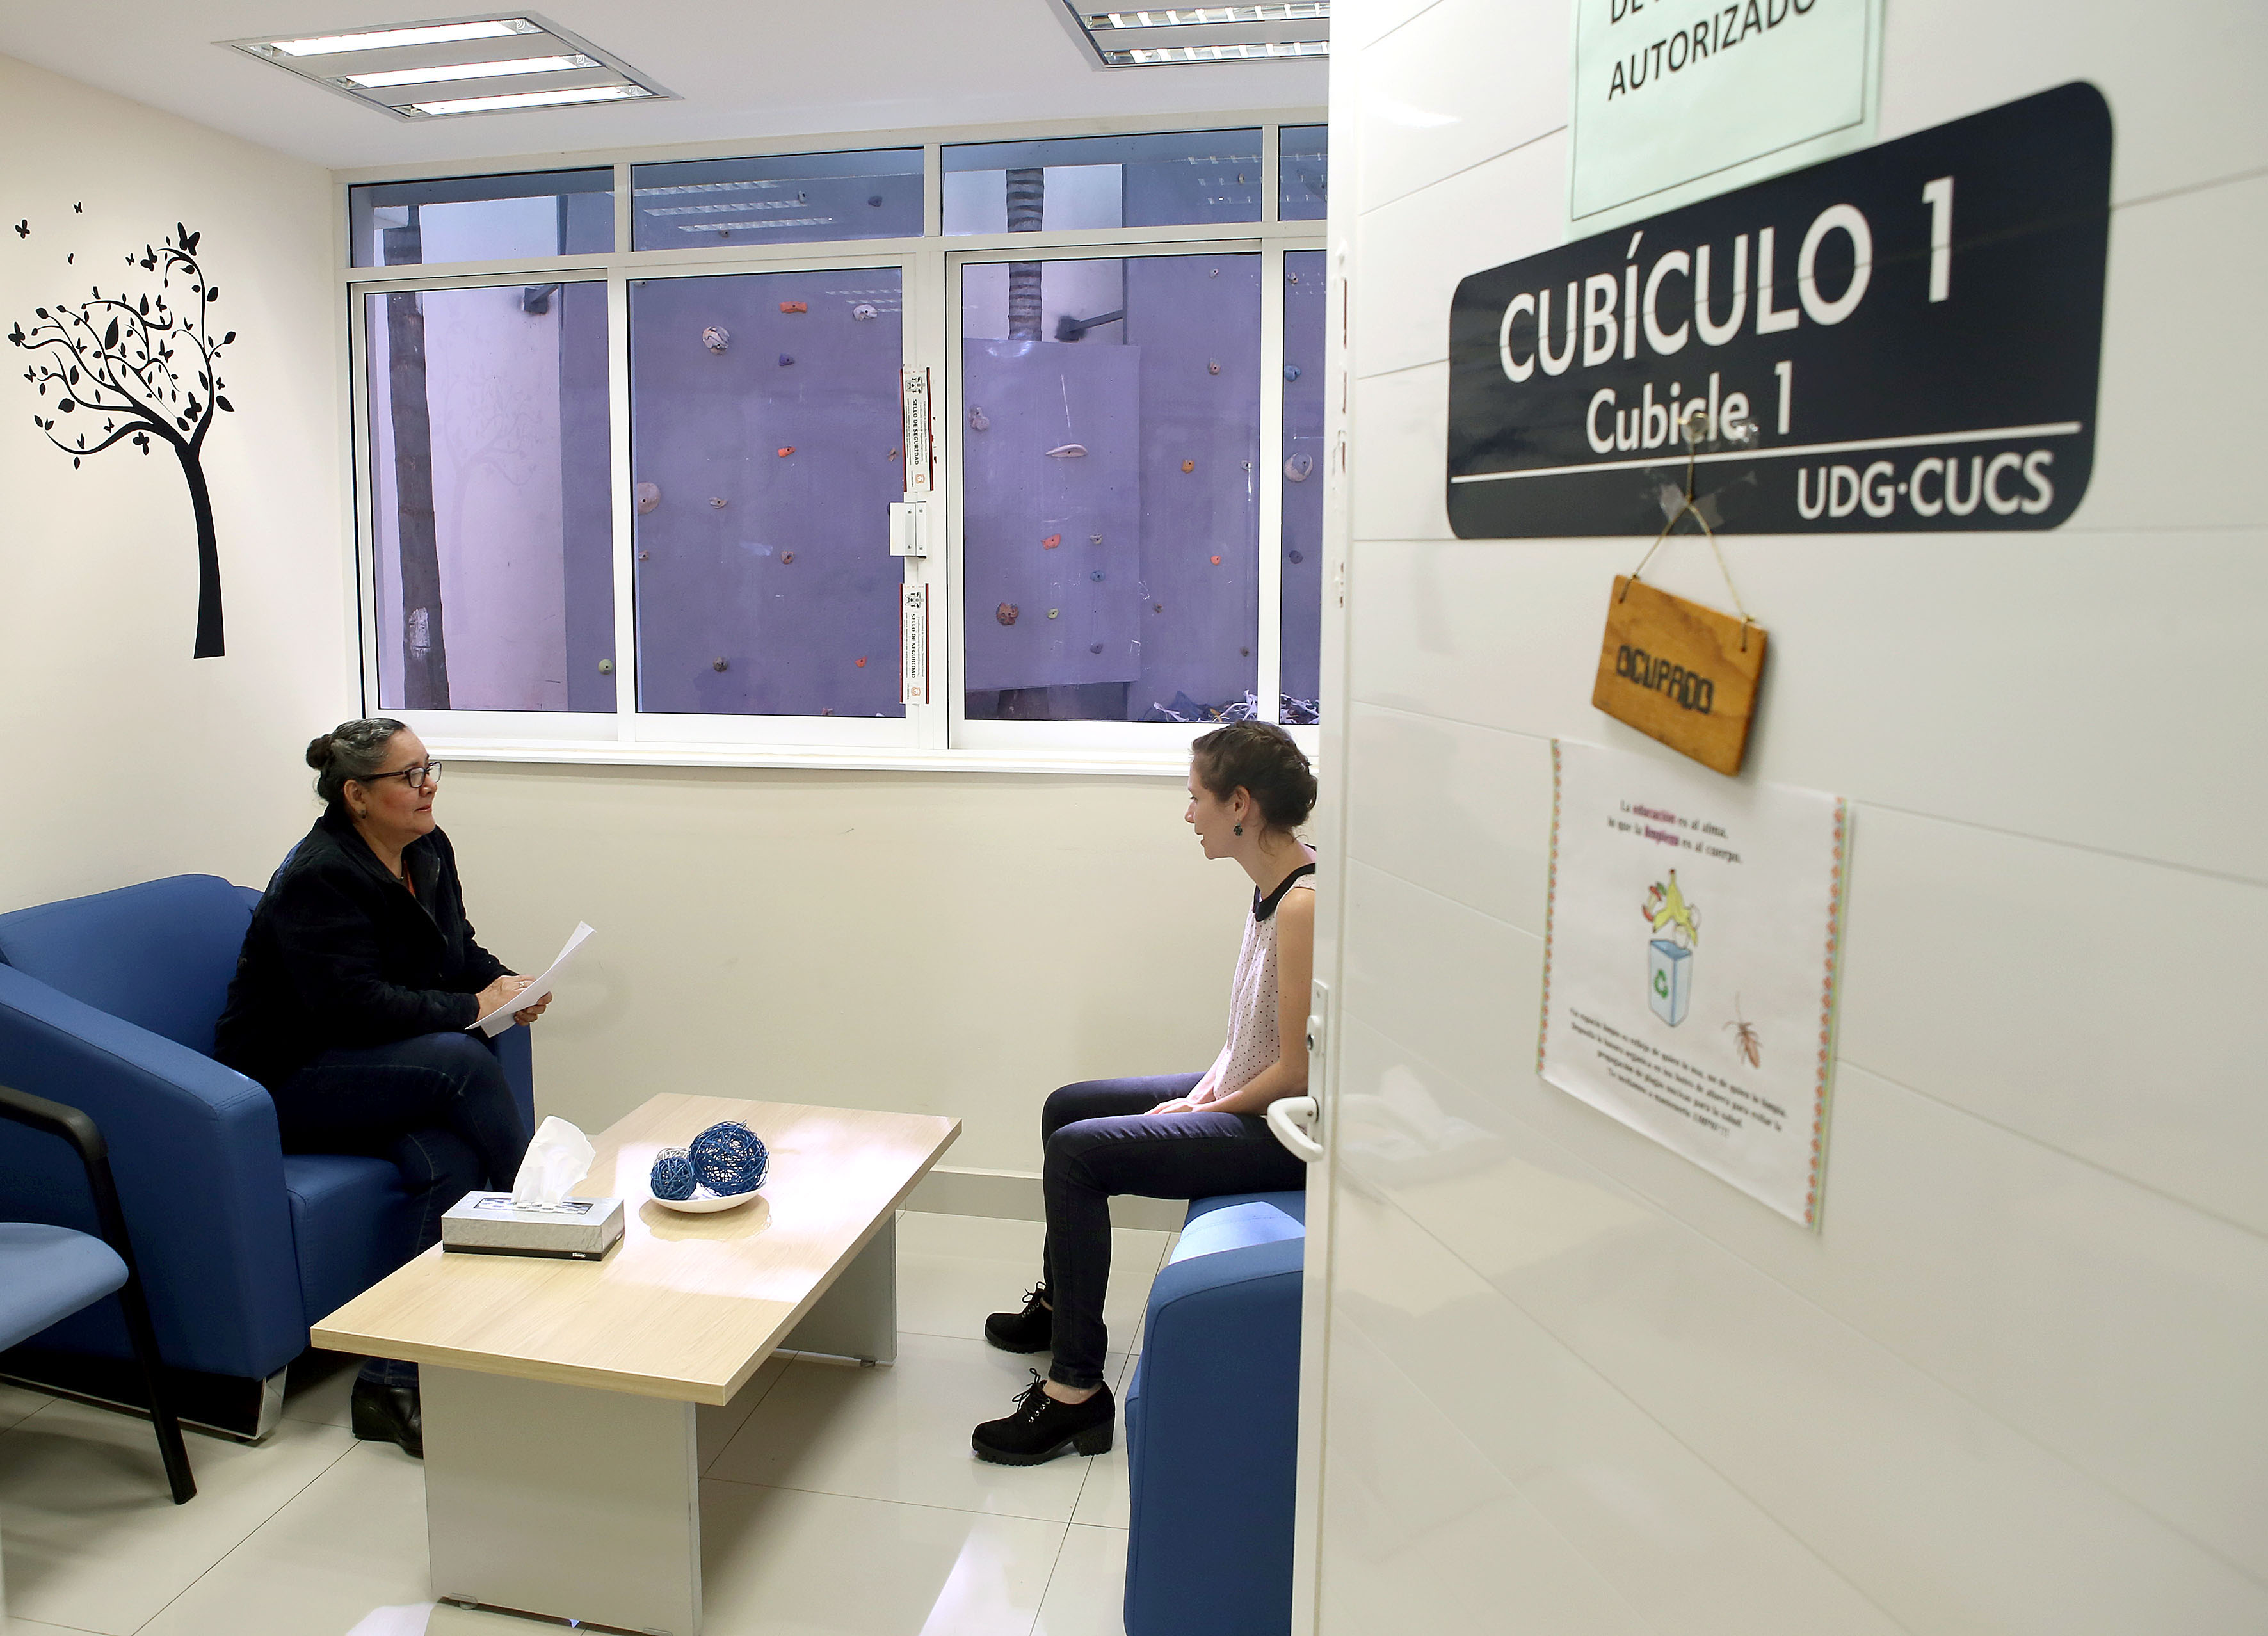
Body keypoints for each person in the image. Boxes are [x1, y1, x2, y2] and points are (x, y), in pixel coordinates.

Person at [972, 720, 1317, 1465]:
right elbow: (1248, 1034)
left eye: (1196, 798)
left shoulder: (1303, 905)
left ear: (1240, 805)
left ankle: (1075, 1393)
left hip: (1286, 1130)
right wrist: (1202, 1091)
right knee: (1069, 1106)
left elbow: (1295, 1072)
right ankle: (1060, 1305)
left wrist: (1206, 1108)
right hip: (1250, 1096)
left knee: (1078, 1155)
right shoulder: (1272, 886)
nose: (1188, 814)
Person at [216, 718, 547, 1458]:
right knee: (460, 1060)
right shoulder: (321, 876)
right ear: (357, 796)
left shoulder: (427, 848)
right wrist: (471, 1008)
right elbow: (352, 1008)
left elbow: (455, 951)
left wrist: (506, 984)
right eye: (409, 775)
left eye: (430, 768)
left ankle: (389, 1383)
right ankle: (540, 1216)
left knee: (450, 1162)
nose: (428, 787)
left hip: (371, 1061)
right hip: (290, 1074)